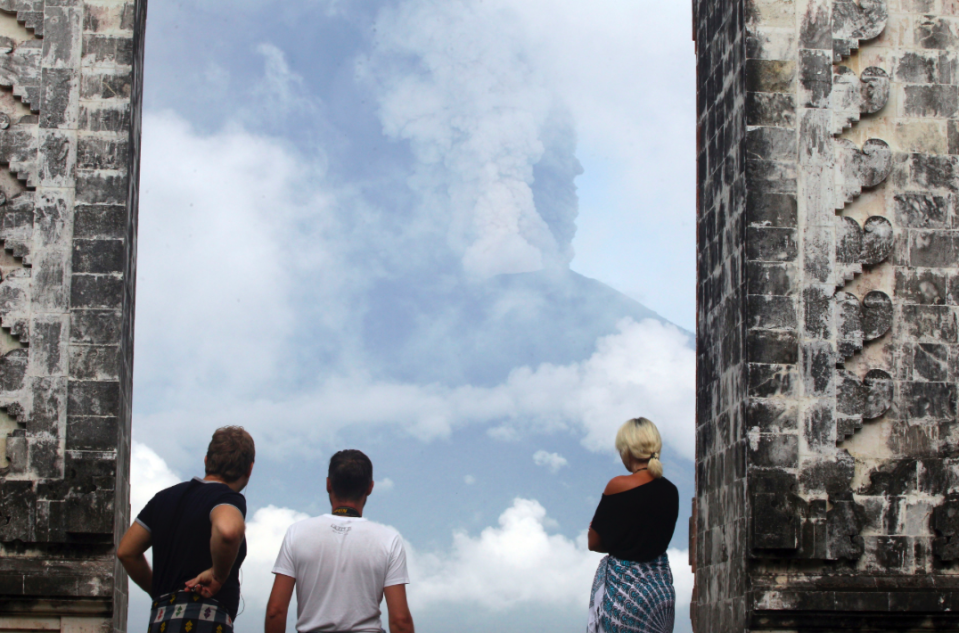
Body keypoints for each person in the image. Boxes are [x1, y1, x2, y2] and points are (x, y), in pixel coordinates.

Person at [117, 426, 256, 633]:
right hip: (206, 622)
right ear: (249, 469)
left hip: (160, 621)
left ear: (206, 460)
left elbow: (126, 552)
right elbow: (228, 531)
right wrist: (218, 575)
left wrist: (157, 591)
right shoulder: (227, 498)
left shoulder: (163, 499)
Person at [265, 449, 414, 633]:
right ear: (370, 487)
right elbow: (400, 620)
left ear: (328, 484)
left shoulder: (297, 533)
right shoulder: (388, 540)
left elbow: (275, 611)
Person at [587, 417, 680, 633]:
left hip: (625, 593)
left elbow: (594, 542)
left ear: (628, 450)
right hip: (660, 594)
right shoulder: (671, 491)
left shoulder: (618, 485)